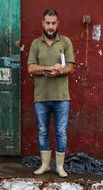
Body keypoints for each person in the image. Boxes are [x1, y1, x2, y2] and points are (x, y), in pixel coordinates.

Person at [27, 9, 74, 177]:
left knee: (61, 131)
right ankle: (45, 165)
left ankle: (60, 167)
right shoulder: (35, 44)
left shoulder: (65, 42)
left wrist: (59, 71)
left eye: (53, 23)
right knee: (43, 131)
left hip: (62, 97)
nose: (50, 26)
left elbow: (70, 67)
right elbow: (31, 68)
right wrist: (48, 68)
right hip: (41, 97)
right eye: (48, 23)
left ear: (58, 24)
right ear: (42, 23)